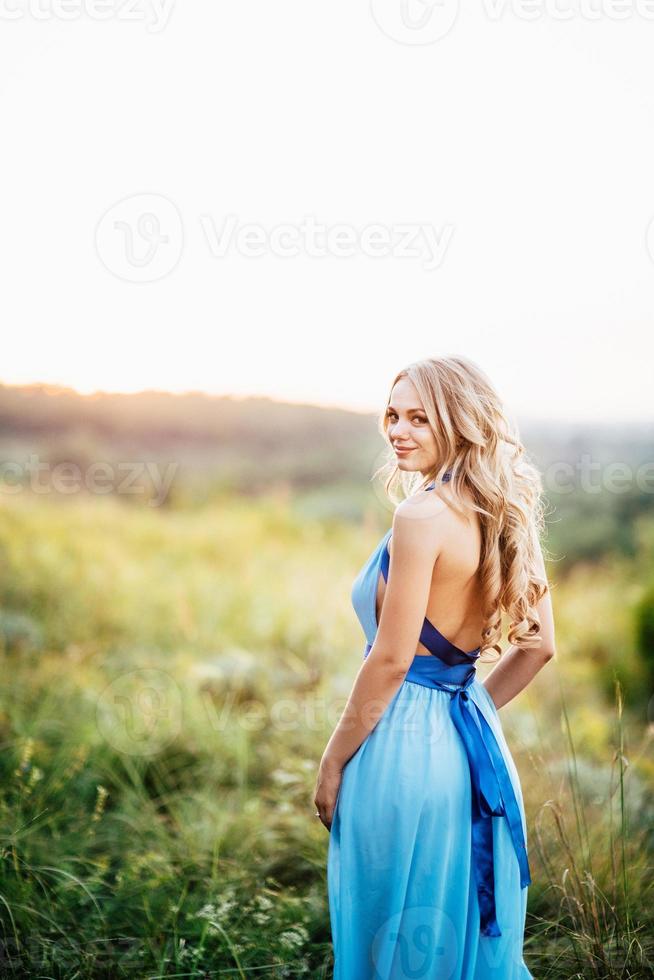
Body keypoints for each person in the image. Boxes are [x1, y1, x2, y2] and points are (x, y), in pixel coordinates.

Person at [314, 355, 556, 979]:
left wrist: (333, 759)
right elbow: (539, 647)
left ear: (460, 421)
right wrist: (461, 709)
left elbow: (392, 659)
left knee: (389, 942)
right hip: (473, 744)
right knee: (454, 939)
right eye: (392, 415)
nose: (398, 430)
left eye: (419, 418)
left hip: (398, 752)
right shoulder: (508, 513)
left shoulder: (419, 517)